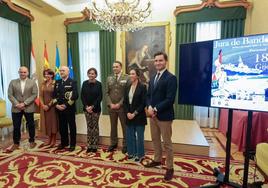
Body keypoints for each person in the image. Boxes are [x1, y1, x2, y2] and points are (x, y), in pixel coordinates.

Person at [144, 52, 177, 181]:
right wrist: (149, 107)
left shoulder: (171, 78)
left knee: (167, 143)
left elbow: (170, 99)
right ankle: (157, 160)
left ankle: (170, 167)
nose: (158, 63)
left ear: (166, 61)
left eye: (160, 60)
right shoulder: (153, 77)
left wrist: (155, 108)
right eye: (156, 61)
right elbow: (148, 96)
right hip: (153, 116)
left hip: (165, 116)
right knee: (155, 139)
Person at [8, 66, 38, 151]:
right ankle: (16, 143)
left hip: (28, 107)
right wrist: (17, 104)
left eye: (24, 72)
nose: (23, 74)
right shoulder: (13, 82)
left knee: (31, 125)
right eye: (21, 72)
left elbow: (34, 94)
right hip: (16, 108)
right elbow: (10, 95)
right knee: (16, 126)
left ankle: (32, 141)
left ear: (27, 73)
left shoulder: (32, 83)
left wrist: (24, 103)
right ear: (19, 72)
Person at [123, 68, 147, 162]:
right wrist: (128, 113)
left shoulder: (143, 87)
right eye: (130, 74)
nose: (131, 75)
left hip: (139, 115)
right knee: (130, 135)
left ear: (137, 75)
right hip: (129, 115)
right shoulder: (127, 86)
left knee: (139, 136)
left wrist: (134, 113)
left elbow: (143, 103)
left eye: (133, 74)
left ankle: (140, 155)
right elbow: (125, 102)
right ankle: (131, 153)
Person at [53, 66, 78, 152]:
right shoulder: (57, 82)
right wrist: (56, 105)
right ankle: (64, 142)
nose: (61, 72)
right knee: (62, 127)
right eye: (60, 71)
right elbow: (54, 95)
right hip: (59, 109)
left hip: (69, 109)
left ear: (68, 72)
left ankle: (72, 144)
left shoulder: (72, 82)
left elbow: (75, 96)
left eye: (63, 70)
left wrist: (66, 105)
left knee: (72, 127)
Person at [106, 61, 129, 153]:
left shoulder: (127, 77)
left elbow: (127, 93)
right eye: (113, 67)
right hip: (111, 107)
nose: (114, 68)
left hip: (122, 107)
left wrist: (120, 103)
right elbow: (107, 92)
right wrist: (110, 103)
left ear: (121, 67)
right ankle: (113, 143)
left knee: (124, 126)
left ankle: (125, 144)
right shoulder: (109, 78)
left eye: (116, 67)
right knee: (113, 126)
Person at [81, 68, 102, 153]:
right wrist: (86, 106)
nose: (91, 75)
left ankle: (95, 145)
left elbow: (100, 97)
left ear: (96, 75)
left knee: (95, 127)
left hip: (96, 109)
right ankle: (89, 145)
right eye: (89, 73)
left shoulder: (99, 84)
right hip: (86, 109)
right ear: (87, 74)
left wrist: (92, 107)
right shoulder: (84, 83)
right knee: (89, 127)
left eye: (93, 73)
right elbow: (82, 96)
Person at [40, 69, 58, 147]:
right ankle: (49, 139)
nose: (46, 75)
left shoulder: (55, 83)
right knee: (47, 123)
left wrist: (48, 105)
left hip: (52, 107)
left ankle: (54, 139)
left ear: (52, 75)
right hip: (44, 107)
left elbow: (56, 96)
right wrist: (43, 105)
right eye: (45, 74)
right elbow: (40, 95)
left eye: (48, 74)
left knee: (53, 123)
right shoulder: (43, 83)